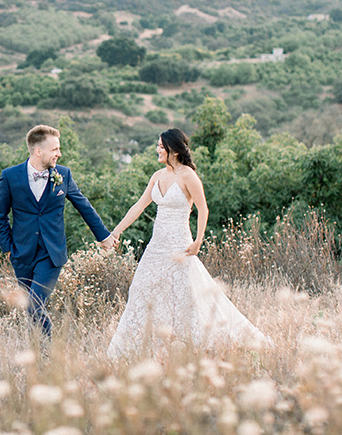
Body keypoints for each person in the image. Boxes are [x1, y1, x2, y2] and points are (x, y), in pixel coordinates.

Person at [107, 128, 268, 358]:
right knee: (140, 289)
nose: (157, 150)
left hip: (179, 245)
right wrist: (116, 231)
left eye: (161, 146)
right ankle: (137, 348)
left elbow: (203, 208)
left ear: (173, 149)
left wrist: (198, 241)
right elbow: (139, 206)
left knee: (186, 295)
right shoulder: (157, 176)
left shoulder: (188, 176)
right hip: (157, 247)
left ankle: (197, 344)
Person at [0, 124, 117, 336]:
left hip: (51, 254)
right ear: (38, 151)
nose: (59, 154)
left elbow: (84, 206)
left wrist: (104, 236)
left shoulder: (64, 175)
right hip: (21, 253)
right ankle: (37, 352)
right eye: (55, 150)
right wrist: (8, 249)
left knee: (34, 303)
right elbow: (1, 217)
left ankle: (48, 353)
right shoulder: (10, 176)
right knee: (31, 308)